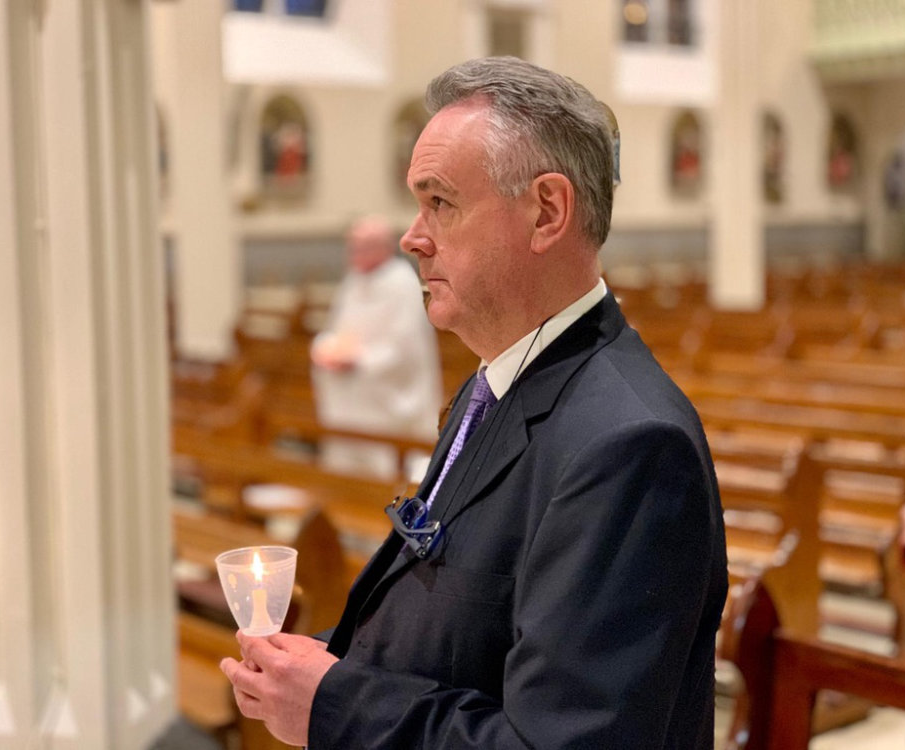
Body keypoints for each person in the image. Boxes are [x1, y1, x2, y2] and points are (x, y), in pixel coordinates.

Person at [221, 56, 728, 749]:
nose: (412, 236)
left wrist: (335, 704)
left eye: (441, 202)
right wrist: (318, 667)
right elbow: (461, 627)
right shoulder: (495, 385)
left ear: (547, 212)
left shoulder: (630, 445)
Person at [309, 214, 442, 479]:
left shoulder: (400, 283)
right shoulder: (354, 281)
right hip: (351, 396)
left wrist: (359, 361)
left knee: (383, 473)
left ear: (384, 247)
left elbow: (404, 349)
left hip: (386, 399)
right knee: (347, 472)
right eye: (352, 246)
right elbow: (336, 329)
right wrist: (328, 349)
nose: (354, 254)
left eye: (362, 247)